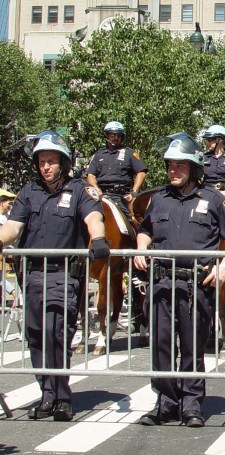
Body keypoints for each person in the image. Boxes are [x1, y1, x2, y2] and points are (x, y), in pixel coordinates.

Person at [134, 133, 225, 428]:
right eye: (170, 165)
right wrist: (141, 248)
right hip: (161, 284)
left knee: (193, 346)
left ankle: (191, 404)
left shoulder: (214, 200)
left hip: (195, 286)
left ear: (194, 168)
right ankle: (165, 403)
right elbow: (144, 230)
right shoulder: (158, 199)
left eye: (180, 166)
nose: (173, 170)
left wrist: (224, 268)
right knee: (161, 346)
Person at [0, 130, 109, 421]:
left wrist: (98, 238)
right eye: (41, 161)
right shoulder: (28, 191)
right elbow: (13, 227)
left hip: (63, 275)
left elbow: (93, 218)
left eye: (51, 161)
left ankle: (62, 396)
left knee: (57, 333)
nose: (45, 166)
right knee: (35, 336)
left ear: (64, 162)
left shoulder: (79, 190)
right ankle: (46, 394)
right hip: (33, 276)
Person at [86, 121, 147, 218]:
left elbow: (141, 172)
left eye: (119, 136)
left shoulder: (130, 153)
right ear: (107, 136)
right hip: (100, 195)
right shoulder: (98, 154)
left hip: (121, 196)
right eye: (113, 135)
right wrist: (96, 189)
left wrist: (134, 192)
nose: (116, 138)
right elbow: (90, 175)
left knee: (131, 219)